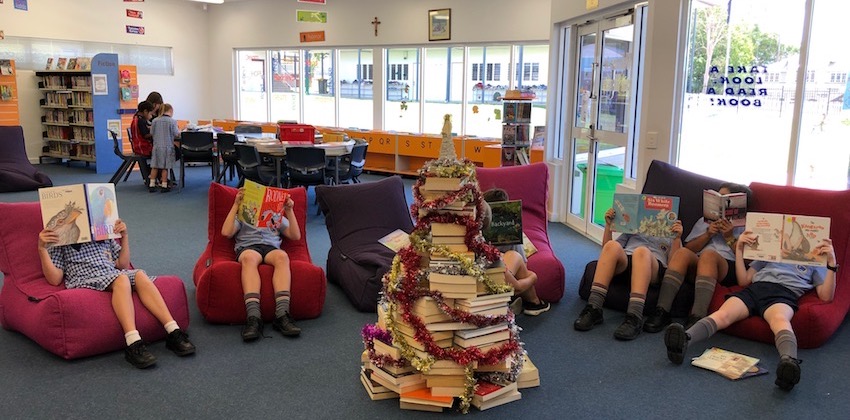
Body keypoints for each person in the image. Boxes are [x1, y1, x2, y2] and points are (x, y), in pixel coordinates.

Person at [664, 233, 837, 391]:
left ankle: (789, 362)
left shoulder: (814, 261)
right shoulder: (772, 254)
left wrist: (831, 263)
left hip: (784, 293)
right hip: (755, 288)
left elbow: (825, 296)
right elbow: (744, 279)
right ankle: (685, 339)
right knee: (723, 314)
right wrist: (739, 250)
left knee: (780, 320)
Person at [37, 219, 195, 369]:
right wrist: (42, 248)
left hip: (110, 273)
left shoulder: (102, 234)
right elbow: (55, 279)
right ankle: (133, 342)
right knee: (122, 280)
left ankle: (173, 331)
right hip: (84, 278)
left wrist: (124, 236)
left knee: (139, 274)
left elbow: (122, 264)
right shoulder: (62, 241)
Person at [644, 183, 753, 333]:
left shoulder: (747, 226)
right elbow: (689, 248)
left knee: (709, 256)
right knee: (682, 253)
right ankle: (662, 310)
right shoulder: (705, 221)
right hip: (700, 262)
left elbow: (749, 260)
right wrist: (708, 234)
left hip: (728, 266)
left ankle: (697, 316)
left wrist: (729, 237)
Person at [574, 207, 683, 340]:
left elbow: (674, 264)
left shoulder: (670, 234)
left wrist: (677, 238)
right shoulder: (634, 229)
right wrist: (609, 226)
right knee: (611, 246)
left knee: (641, 252)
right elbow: (606, 250)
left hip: (653, 266)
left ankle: (634, 317)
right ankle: (594, 308)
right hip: (627, 260)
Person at [221, 188, 302, 341]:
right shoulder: (244, 215)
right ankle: (253, 317)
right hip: (248, 247)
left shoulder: (276, 216)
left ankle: (282, 314)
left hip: (271, 248)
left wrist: (289, 211)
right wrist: (236, 205)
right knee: (250, 258)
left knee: (282, 256)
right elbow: (226, 232)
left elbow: (295, 235)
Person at [481, 188, 550, 316]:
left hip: (498, 272)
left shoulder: (511, 235)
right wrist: (533, 277)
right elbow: (517, 284)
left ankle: (524, 303)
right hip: (494, 276)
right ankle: (533, 303)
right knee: (515, 257)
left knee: (513, 256)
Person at [149, 103, 180, 193]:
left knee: (154, 166)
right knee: (165, 167)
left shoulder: (155, 121)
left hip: (156, 147)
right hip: (167, 147)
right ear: (170, 111)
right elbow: (176, 133)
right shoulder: (172, 121)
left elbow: (151, 133)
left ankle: (152, 184)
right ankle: (164, 185)